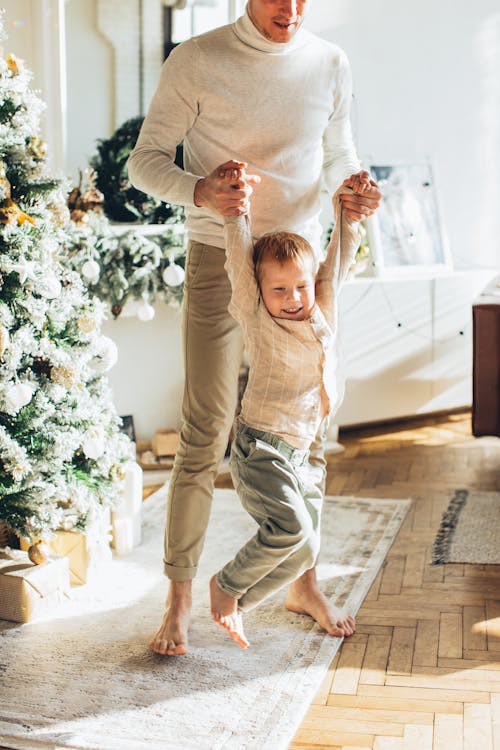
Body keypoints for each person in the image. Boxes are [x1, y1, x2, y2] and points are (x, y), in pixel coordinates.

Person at [127, 0, 381, 656]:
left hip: (299, 266)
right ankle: (181, 599)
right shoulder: (197, 58)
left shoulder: (329, 61)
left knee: (310, 428)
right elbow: (145, 162)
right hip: (220, 257)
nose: (289, 9)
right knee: (205, 427)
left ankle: (303, 582)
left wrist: (351, 190)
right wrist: (202, 192)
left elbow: (337, 156)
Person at [210, 168, 374, 648]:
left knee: (307, 548)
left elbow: (339, 258)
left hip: (307, 446)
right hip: (262, 446)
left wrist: (348, 209)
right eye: (279, 290)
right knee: (290, 529)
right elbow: (241, 263)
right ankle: (226, 587)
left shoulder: (320, 301)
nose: (293, 299)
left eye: (299, 286)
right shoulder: (257, 315)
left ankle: (251, 600)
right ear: (261, 293)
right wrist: (237, 209)